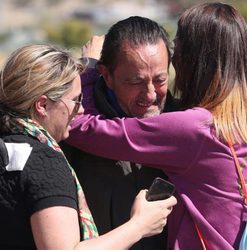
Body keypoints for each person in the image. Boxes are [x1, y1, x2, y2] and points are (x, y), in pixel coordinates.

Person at [66, 2, 247, 249]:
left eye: (178, 52)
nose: (151, 94)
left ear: (194, 62)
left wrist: (87, 67)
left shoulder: (193, 128)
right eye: (134, 81)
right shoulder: (238, 120)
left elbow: (79, 126)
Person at [0, 44, 177, 249]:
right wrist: (139, 225)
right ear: (42, 105)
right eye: (76, 100)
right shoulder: (44, 163)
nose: (81, 109)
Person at [63, 16, 179, 250]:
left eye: (160, 80)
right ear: (106, 75)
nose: (150, 95)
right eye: (135, 81)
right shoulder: (68, 132)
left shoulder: (187, 125)